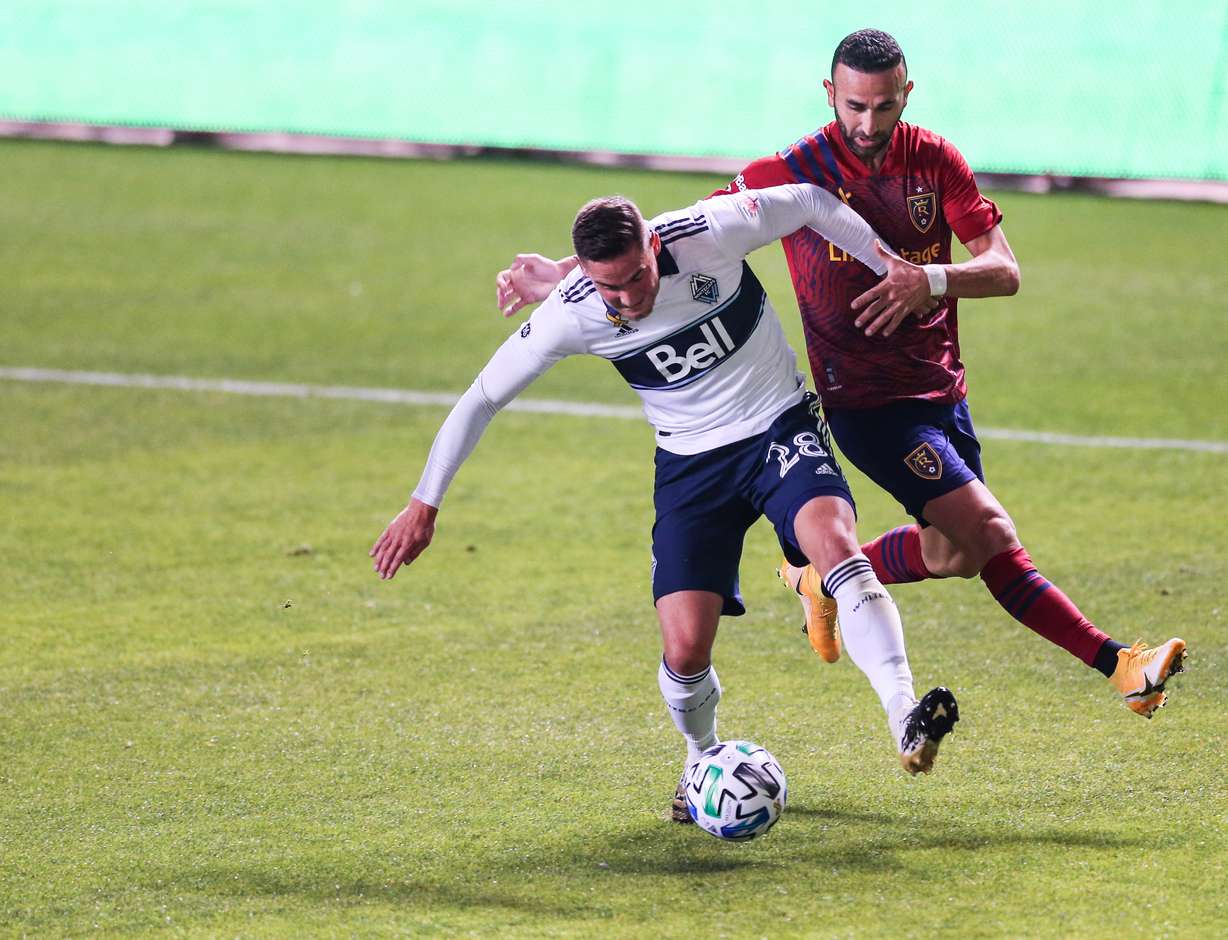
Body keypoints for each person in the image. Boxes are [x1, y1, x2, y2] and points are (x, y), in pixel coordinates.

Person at [493, 29, 1186, 719]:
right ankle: (1120, 664)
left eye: (884, 106)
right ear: (831, 95)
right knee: (992, 534)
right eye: (854, 105)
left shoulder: (936, 160)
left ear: (905, 95)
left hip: (941, 387)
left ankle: (819, 580)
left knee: (953, 553)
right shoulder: (792, 170)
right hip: (867, 405)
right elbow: (672, 230)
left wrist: (933, 281)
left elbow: (1004, 270)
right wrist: (565, 271)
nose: (867, 123)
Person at [373, 185, 960, 824]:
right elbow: (481, 397)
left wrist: (889, 264)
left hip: (777, 425)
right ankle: (700, 759)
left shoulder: (711, 231)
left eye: (635, 277)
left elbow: (814, 203)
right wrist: (424, 504)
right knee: (684, 652)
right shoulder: (572, 314)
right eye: (608, 289)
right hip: (690, 466)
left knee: (837, 546)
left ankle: (904, 715)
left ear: (655, 244)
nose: (627, 299)